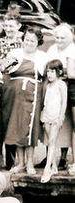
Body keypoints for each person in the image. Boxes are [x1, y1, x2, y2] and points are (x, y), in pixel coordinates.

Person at [1, 28, 47, 174]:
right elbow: (4, 70)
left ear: (38, 42)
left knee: (29, 129)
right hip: (14, 98)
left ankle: (30, 164)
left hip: (32, 96)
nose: (29, 43)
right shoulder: (14, 54)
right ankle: (20, 163)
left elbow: (45, 78)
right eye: (27, 39)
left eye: (32, 40)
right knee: (16, 128)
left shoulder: (42, 57)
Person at [46, 24, 75, 174]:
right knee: (50, 119)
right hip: (53, 87)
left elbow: (70, 72)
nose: (59, 40)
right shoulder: (52, 49)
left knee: (67, 122)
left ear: (69, 38)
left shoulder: (72, 49)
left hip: (68, 87)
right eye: (57, 37)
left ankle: (63, 157)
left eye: (62, 38)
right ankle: (49, 157)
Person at [40, 60, 68, 183]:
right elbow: (45, 102)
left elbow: (64, 102)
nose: (49, 74)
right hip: (46, 115)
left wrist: (60, 117)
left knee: (52, 141)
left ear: (59, 72)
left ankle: (47, 169)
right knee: (49, 142)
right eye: (48, 72)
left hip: (56, 117)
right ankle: (54, 166)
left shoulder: (61, 84)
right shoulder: (47, 85)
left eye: (52, 72)